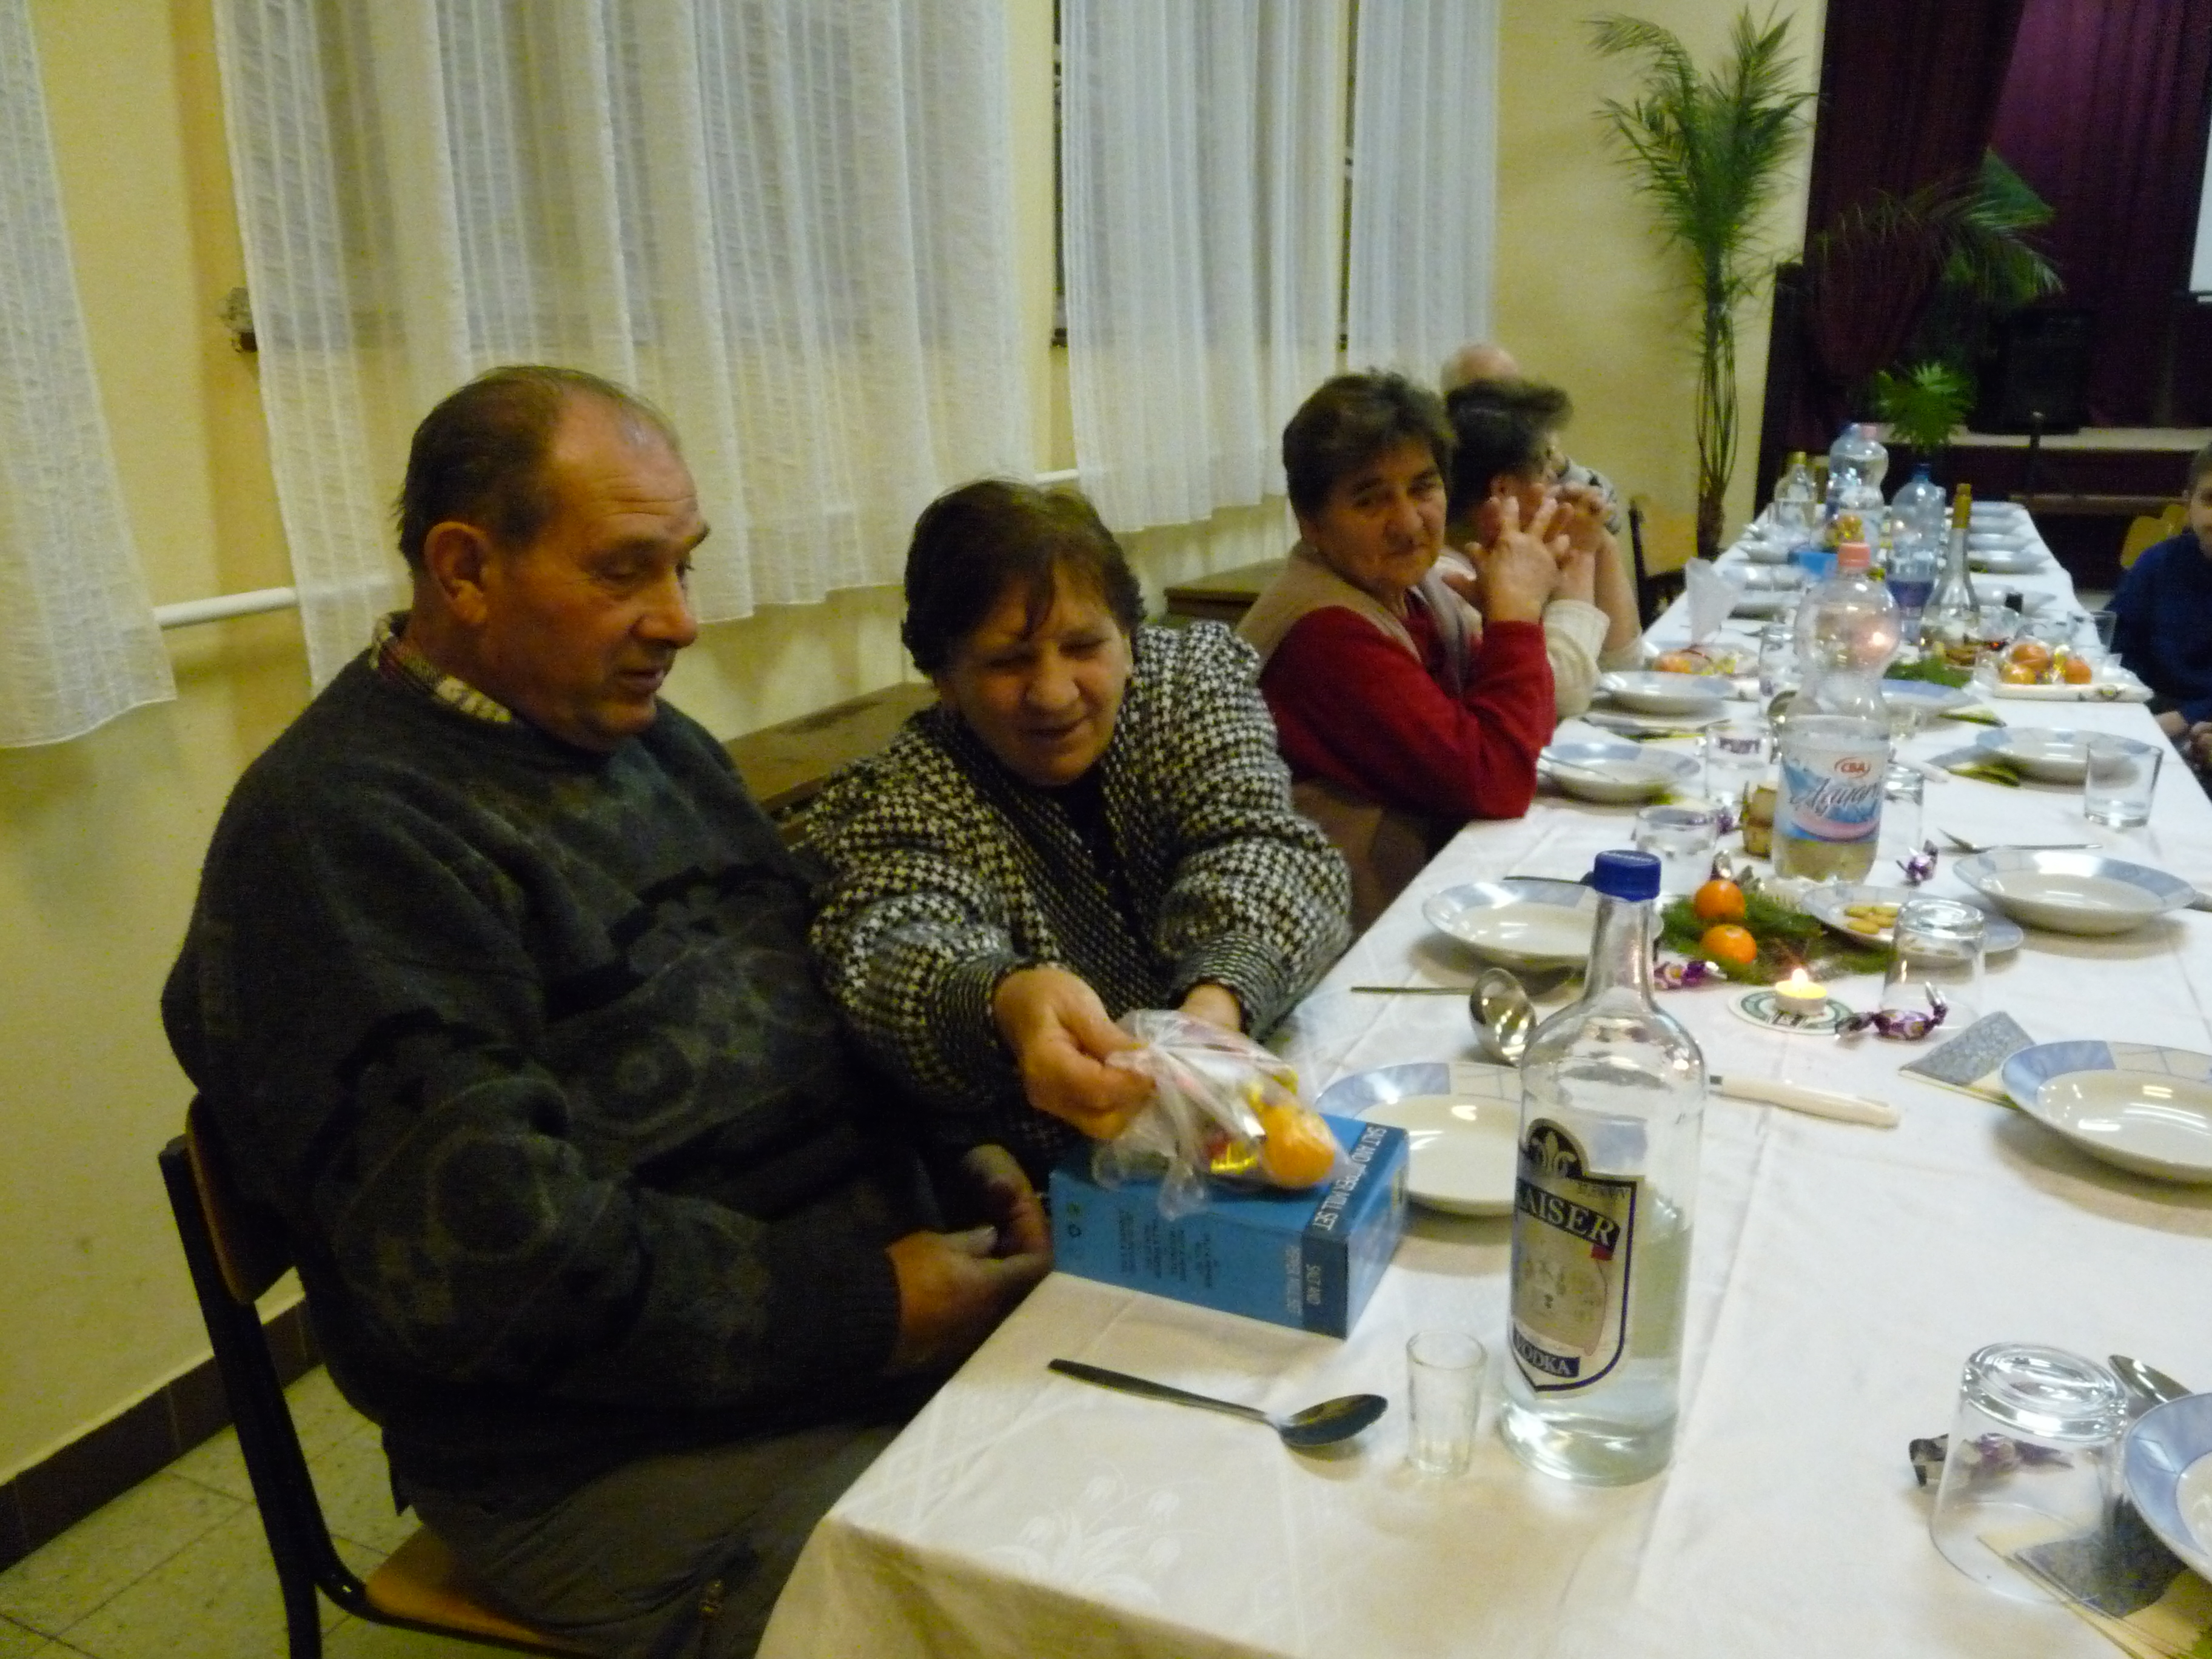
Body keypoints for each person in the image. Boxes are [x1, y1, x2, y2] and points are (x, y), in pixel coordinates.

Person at [161, 366, 1050, 1659]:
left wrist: (961, 1152)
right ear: (465, 571)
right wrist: (871, 1307)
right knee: (1034, 1602)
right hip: (600, 1454)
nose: (679, 620)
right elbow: (504, 1270)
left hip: (834, 1333)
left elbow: (811, 1000)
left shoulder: (647, 744)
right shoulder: (337, 839)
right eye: (627, 571)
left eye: (684, 564)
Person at [804, 479, 1350, 1181]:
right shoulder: (900, 796)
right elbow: (894, 945)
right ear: (944, 679)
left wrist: (1215, 1007)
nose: (1054, 693)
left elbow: (1264, 846)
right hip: (1069, 1181)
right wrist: (1004, 1002)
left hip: (1253, 1114)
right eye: (1007, 661)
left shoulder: (1187, 686)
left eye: (1084, 645)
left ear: (1129, 638)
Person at [1238, 371, 1560, 927]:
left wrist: (1503, 617)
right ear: (1311, 523)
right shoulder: (1326, 633)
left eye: (1423, 488)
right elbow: (1496, 780)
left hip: (1414, 894)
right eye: (1371, 500)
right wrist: (1515, 620)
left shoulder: (1414, 591)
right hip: (1329, 939)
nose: (1409, 523)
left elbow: (1527, 731)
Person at [1444, 377, 1643, 717]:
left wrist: (1600, 543)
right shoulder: (1449, 578)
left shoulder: (1520, 553)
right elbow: (1562, 695)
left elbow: (1623, 667)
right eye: (1544, 466)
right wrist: (1580, 558)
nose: (1555, 480)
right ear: (1503, 490)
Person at [1439, 339, 1623, 531]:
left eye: (1513, 388)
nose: (1507, 404)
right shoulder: (1439, 463)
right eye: (1485, 395)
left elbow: (1608, 518)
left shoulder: (1551, 466)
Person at [2111, 440, 2212, 743]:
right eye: (2210, 500)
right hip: (2151, 709)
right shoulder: (2160, 562)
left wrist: (2188, 717)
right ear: (2188, 506)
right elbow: (2116, 645)